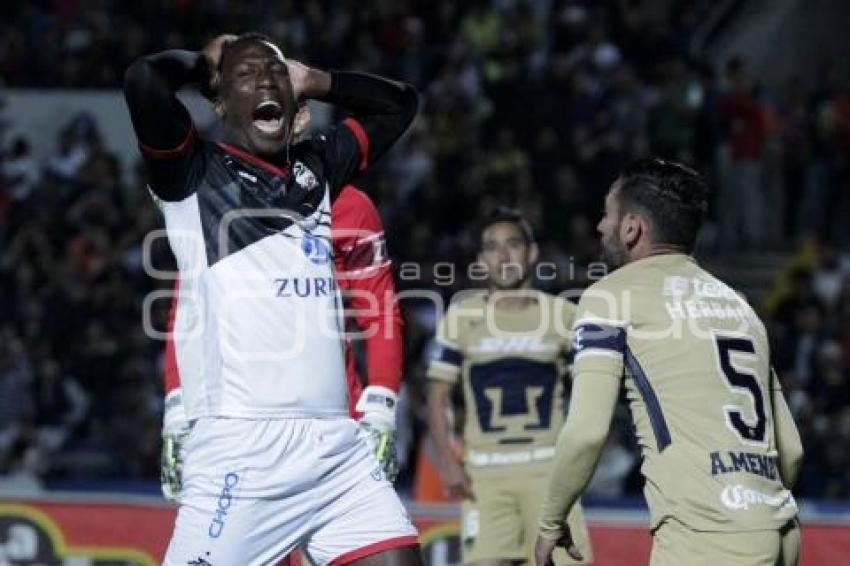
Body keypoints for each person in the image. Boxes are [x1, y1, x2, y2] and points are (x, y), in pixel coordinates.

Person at [124, 32, 420, 565]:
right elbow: (143, 80)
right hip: (244, 452)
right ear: (218, 101)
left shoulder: (320, 167)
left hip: (337, 451)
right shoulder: (192, 174)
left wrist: (317, 79)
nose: (265, 79)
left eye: (275, 72)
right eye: (246, 73)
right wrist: (203, 62)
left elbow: (401, 104)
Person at [535, 159, 802, 566]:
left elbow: (587, 432)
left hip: (706, 534)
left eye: (607, 214)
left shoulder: (610, 296)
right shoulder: (739, 305)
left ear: (631, 228)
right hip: (781, 528)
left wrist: (551, 519)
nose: (599, 226)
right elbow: (793, 450)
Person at [426, 208, 592, 565]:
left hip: (551, 473)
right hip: (483, 475)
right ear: (480, 259)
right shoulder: (461, 317)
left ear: (532, 253)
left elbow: (597, 386)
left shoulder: (564, 315)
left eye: (513, 245)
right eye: (492, 247)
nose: (503, 256)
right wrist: (447, 461)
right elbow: (437, 394)